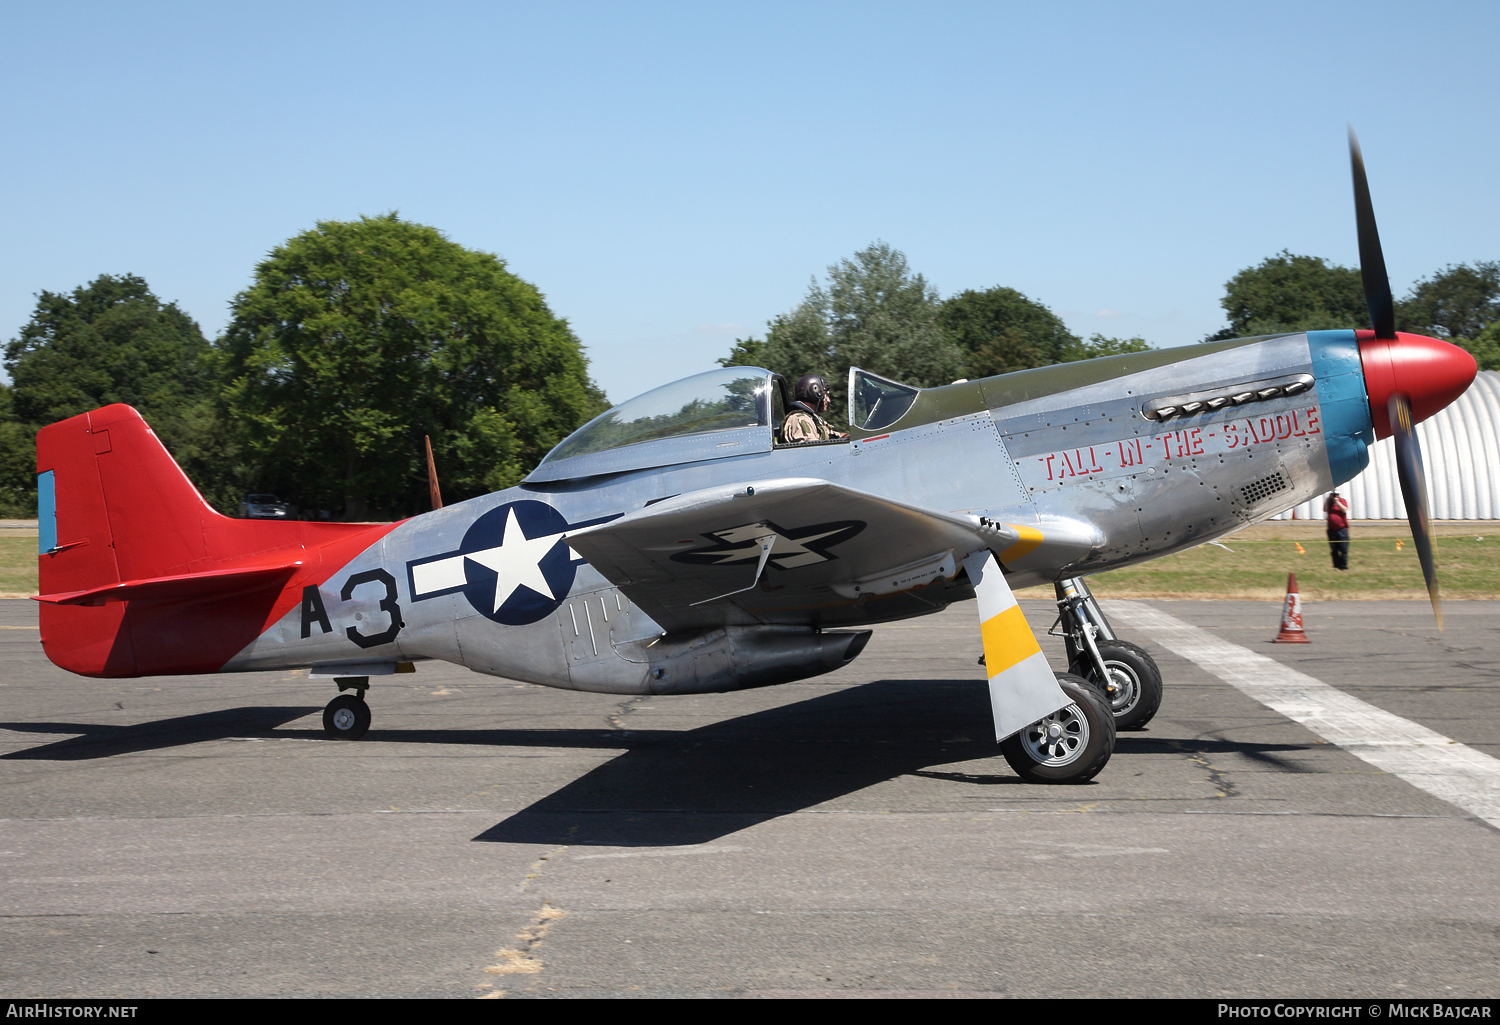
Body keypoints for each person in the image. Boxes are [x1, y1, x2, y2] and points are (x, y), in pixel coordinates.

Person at [781, 373, 849, 443]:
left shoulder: (813, 419)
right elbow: (813, 450)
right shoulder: (800, 420)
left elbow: (834, 436)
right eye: (826, 395)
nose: (828, 400)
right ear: (815, 393)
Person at [1325, 491, 1350, 570]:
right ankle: (1336, 566)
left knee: (1343, 549)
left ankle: (1343, 566)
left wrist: (1338, 502)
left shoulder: (1342, 501)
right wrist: (1328, 499)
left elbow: (1344, 510)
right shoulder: (1329, 502)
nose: (1335, 496)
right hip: (1332, 529)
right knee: (1334, 549)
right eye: (1333, 495)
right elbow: (1325, 509)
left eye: (1336, 495)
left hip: (1342, 529)